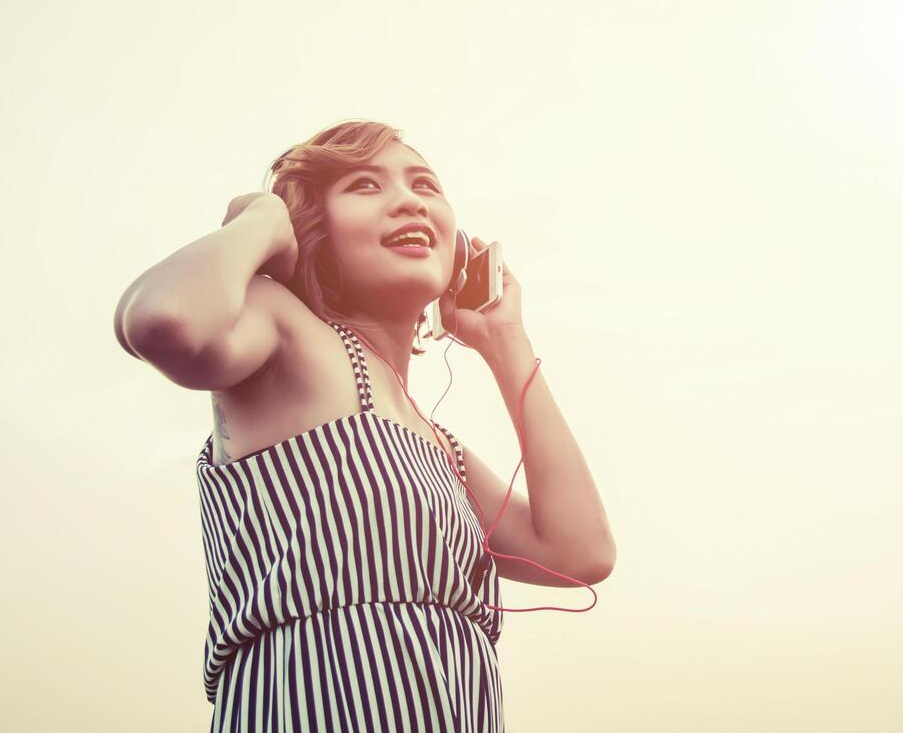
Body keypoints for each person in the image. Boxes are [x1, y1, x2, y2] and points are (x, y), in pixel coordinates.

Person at [113, 119, 615, 732]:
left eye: (424, 183)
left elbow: (580, 553)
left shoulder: (441, 449)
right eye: (364, 186)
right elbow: (165, 320)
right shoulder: (288, 333)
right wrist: (264, 219)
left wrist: (505, 341)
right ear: (313, 231)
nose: (409, 199)